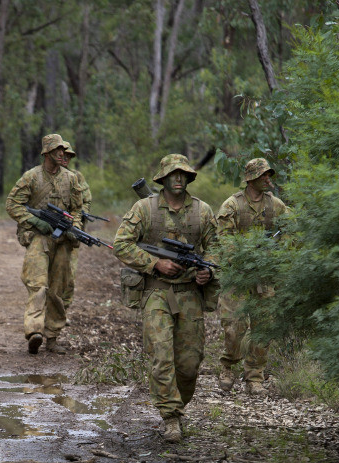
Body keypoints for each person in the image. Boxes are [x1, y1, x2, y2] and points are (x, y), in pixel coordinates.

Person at [113, 154, 218, 443]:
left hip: (189, 294)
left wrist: (206, 271)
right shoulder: (144, 208)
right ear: (162, 177)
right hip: (156, 291)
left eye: (183, 173)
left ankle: (177, 406)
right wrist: (154, 264)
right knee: (161, 355)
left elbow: (216, 247)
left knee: (189, 362)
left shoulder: (203, 211)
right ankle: (171, 417)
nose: (178, 178)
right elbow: (121, 244)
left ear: (188, 178)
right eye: (172, 173)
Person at [217, 158, 290, 395]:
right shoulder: (232, 205)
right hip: (237, 276)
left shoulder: (275, 205)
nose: (268, 179)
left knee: (264, 327)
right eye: (263, 175)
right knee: (234, 328)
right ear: (250, 179)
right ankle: (228, 366)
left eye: (269, 174)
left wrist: (277, 253)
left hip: (265, 277)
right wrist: (241, 259)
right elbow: (224, 239)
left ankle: (254, 376)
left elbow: (292, 227)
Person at [6, 133, 83, 355]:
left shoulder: (71, 179)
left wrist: (75, 227)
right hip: (38, 238)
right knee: (38, 285)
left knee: (58, 290)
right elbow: (12, 204)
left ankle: (52, 337)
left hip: (62, 241)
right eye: (57, 150)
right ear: (47, 153)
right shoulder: (32, 177)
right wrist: (35, 221)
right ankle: (34, 332)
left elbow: (77, 209)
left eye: (63, 150)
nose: (62, 153)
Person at [61, 141, 92, 318]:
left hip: (71, 235)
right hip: (48, 234)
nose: (65, 158)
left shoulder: (76, 177)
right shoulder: (43, 176)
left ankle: (62, 311)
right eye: (62, 155)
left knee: (69, 276)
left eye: (68, 156)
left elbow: (86, 201)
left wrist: (79, 216)